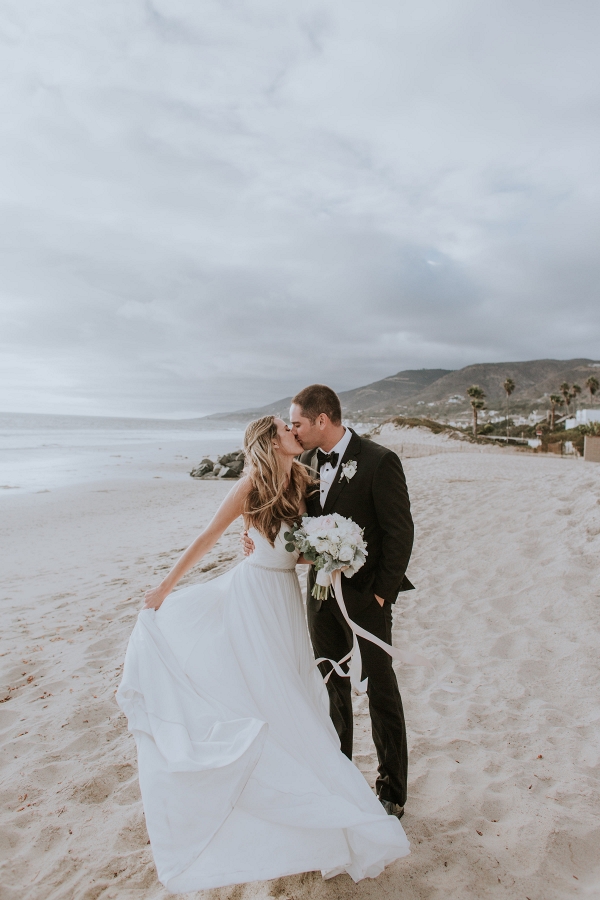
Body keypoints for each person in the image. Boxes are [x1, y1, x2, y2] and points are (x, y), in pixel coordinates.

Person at [117, 415, 409, 894]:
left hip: (286, 599)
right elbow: (209, 535)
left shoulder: (301, 476)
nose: (295, 431)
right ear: (271, 440)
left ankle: (317, 790)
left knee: (294, 689)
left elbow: (295, 546)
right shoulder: (251, 483)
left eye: (296, 425)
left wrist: (332, 551)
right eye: (285, 427)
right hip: (252, 595)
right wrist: (166, 587)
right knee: (272, 694)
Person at [243, 385, 414, 819]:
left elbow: (400, 533)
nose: (294, 431)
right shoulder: (305, 466)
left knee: (380, 686)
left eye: (297, 423)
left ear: (323, 420)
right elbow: (290, 524)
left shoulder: (379, 461)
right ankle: (340, 780)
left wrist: (380, 593)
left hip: (367, 597)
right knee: (329, 690)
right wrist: (254, 538)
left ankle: (392, 787)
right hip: (320, 598)